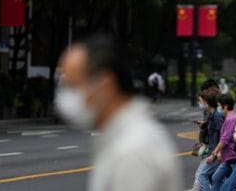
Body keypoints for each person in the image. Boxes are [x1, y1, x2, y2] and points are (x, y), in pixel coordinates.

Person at [54, 35, 181, 191]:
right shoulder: (126, 138)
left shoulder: (133, 150)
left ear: (105, 84)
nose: (66, 97)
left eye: (73, 86)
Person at [210, 94, 236, 191]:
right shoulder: (229, 118)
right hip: (228, 158)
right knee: (216, 178)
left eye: (219, 105)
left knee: (233, 184)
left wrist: (214, 153)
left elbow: (224, 139)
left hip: (233, 157)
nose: (218, 108)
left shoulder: (231, 119)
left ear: (225, 106)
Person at [197, 90, 226, 191]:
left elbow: (223, 134)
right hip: (213, 150)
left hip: (216, 152)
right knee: (216, 178)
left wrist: (218, 152)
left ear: (208, 102)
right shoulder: (213, 114)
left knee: (202, 175)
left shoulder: (217, 115)